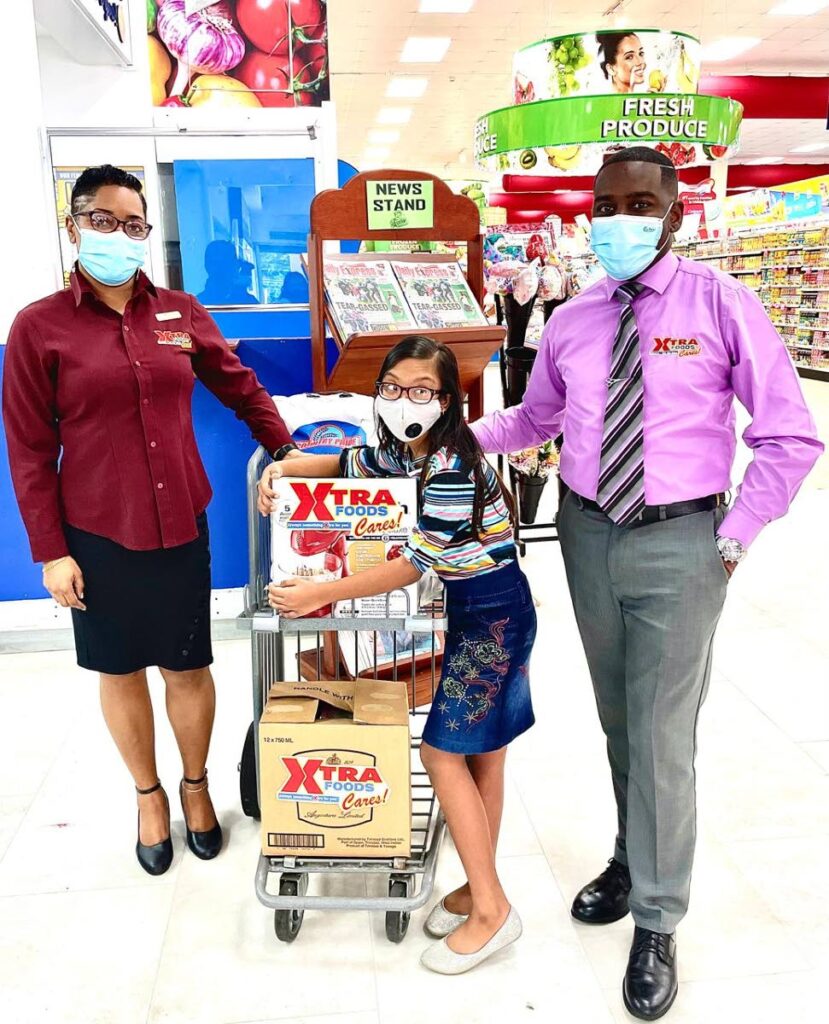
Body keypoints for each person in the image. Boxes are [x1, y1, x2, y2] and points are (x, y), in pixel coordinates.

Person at [470, 147, 823, 1019]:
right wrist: (450, 437)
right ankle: (634, 856)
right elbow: (536, 417)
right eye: (605, 204)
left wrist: (733, 537)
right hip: (587, 535)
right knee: (620, 718)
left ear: (671, 212)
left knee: (664, 734)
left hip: (682, 542)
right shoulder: (572, 319)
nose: (618, 220)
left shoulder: (722, 304)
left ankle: (658, 919)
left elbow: (789, 435)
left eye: (638, 204)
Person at [2, 165, 299, 877]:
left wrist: (285, 447)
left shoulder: (179, 311)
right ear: (74, 226)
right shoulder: (39, 325)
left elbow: (238, 384)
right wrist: (50, 552)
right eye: (104, 220)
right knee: (119, 667)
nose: (120, 235)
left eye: (135, 224)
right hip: (96, 532)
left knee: (188, 664)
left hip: (179, 523)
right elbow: (29, 448)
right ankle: (149, 796)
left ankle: (195, 788)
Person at [258, 336, 536, 975]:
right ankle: (474, 885)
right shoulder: (400, 449)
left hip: (494, 617)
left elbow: (410, 566)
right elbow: (353, 463)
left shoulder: (453, 465)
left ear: (448, 400)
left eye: (421, 391)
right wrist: (289, 466)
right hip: (477, 610)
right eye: (391, 388)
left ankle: (494, 912)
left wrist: (319, 594)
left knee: (442, 753)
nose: (403, 402)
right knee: (482, 756)